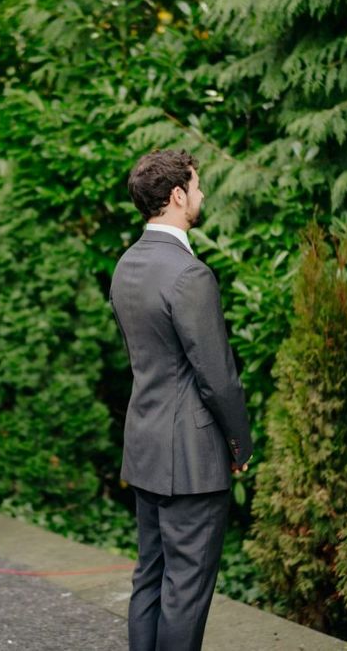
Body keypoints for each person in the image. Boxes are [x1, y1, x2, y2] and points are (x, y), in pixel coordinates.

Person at [110, 150, 252, 651]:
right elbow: (218, 377)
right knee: (186, 590)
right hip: (191, 460)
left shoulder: (127, 265)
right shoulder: (190, 275)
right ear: (176, 196)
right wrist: (240, 442)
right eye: (196, 186)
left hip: (146, 447)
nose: (201, 194)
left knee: (150, 576)